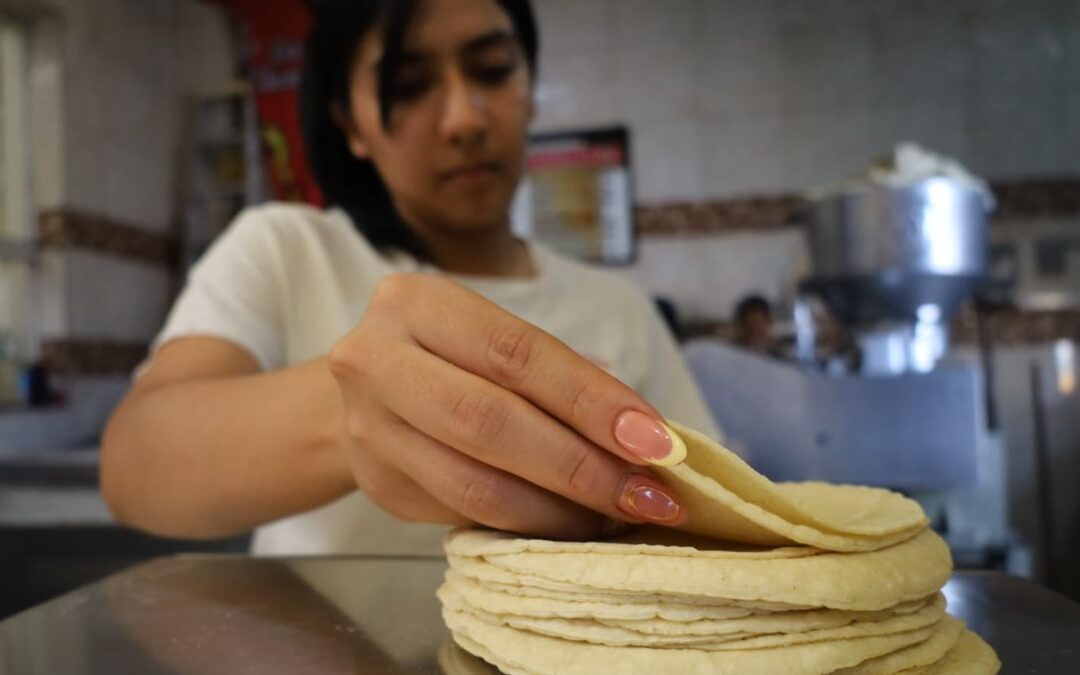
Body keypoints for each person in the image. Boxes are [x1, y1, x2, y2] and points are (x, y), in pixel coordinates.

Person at [101, 0, 718, 556]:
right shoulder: (287, 250)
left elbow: (716, 514)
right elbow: (135, 465)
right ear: (350, 125)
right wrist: (353, 417)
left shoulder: (621, 309)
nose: (463, 119)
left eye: (495, 69)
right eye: (410, 85)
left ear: (530, 87)